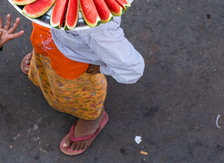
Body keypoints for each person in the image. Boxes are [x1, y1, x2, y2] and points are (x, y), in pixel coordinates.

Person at [21, 17, 144, 156]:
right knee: (46, 55)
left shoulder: (96, 29)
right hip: (47, 45)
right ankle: (45, 55)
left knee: (80, 97)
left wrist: (101, 68)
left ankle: (93, 117)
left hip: (75, 72)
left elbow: (133, 69)